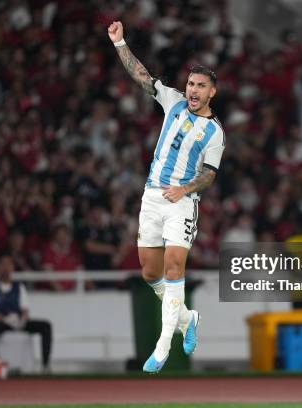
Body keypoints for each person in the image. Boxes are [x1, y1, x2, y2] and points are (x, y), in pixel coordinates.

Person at [108, 20, 225, 372]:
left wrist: (185, 189)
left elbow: (210, 175)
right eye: (191, 83)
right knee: (149, 272)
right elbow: (142, 76)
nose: (192, 90)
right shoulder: (172, 100)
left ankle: (162, 346)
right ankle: (188, 321)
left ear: (211, 93)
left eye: (200, 86)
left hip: (181, 202)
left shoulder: (215, 133)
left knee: (174, 268)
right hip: (152, 196)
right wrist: (119, 43)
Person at [0, 254, 52, 373]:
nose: (5, 268)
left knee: (45, 326)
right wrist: (5, 319)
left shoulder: (19, 287)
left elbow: (25, 310)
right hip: (1, 322)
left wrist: (22, 320)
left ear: (13, 267)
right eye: (2, 264)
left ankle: (45, 365)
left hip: (17, 321)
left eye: (8, 264)